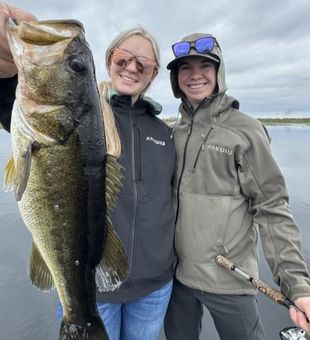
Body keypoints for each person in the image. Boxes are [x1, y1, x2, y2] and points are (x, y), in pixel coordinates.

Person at [0, 4, 176, 340]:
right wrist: (7, 72)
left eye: (143, 64)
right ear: (109, 59)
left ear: (153, 74)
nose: (131, 67)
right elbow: (10, 101)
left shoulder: (166, 133)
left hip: (155, 287)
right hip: (93, 287)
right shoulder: (85, 110)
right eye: (123, 58)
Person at [163, 33, 310, 340]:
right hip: (176, 280)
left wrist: (297, 285)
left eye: (205, 65)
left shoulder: (245, 131)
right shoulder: (172, 133)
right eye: (184, 68)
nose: (195, 75)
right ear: (176, 78)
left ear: (219, 73)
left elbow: (272, 210)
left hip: (230, 279)